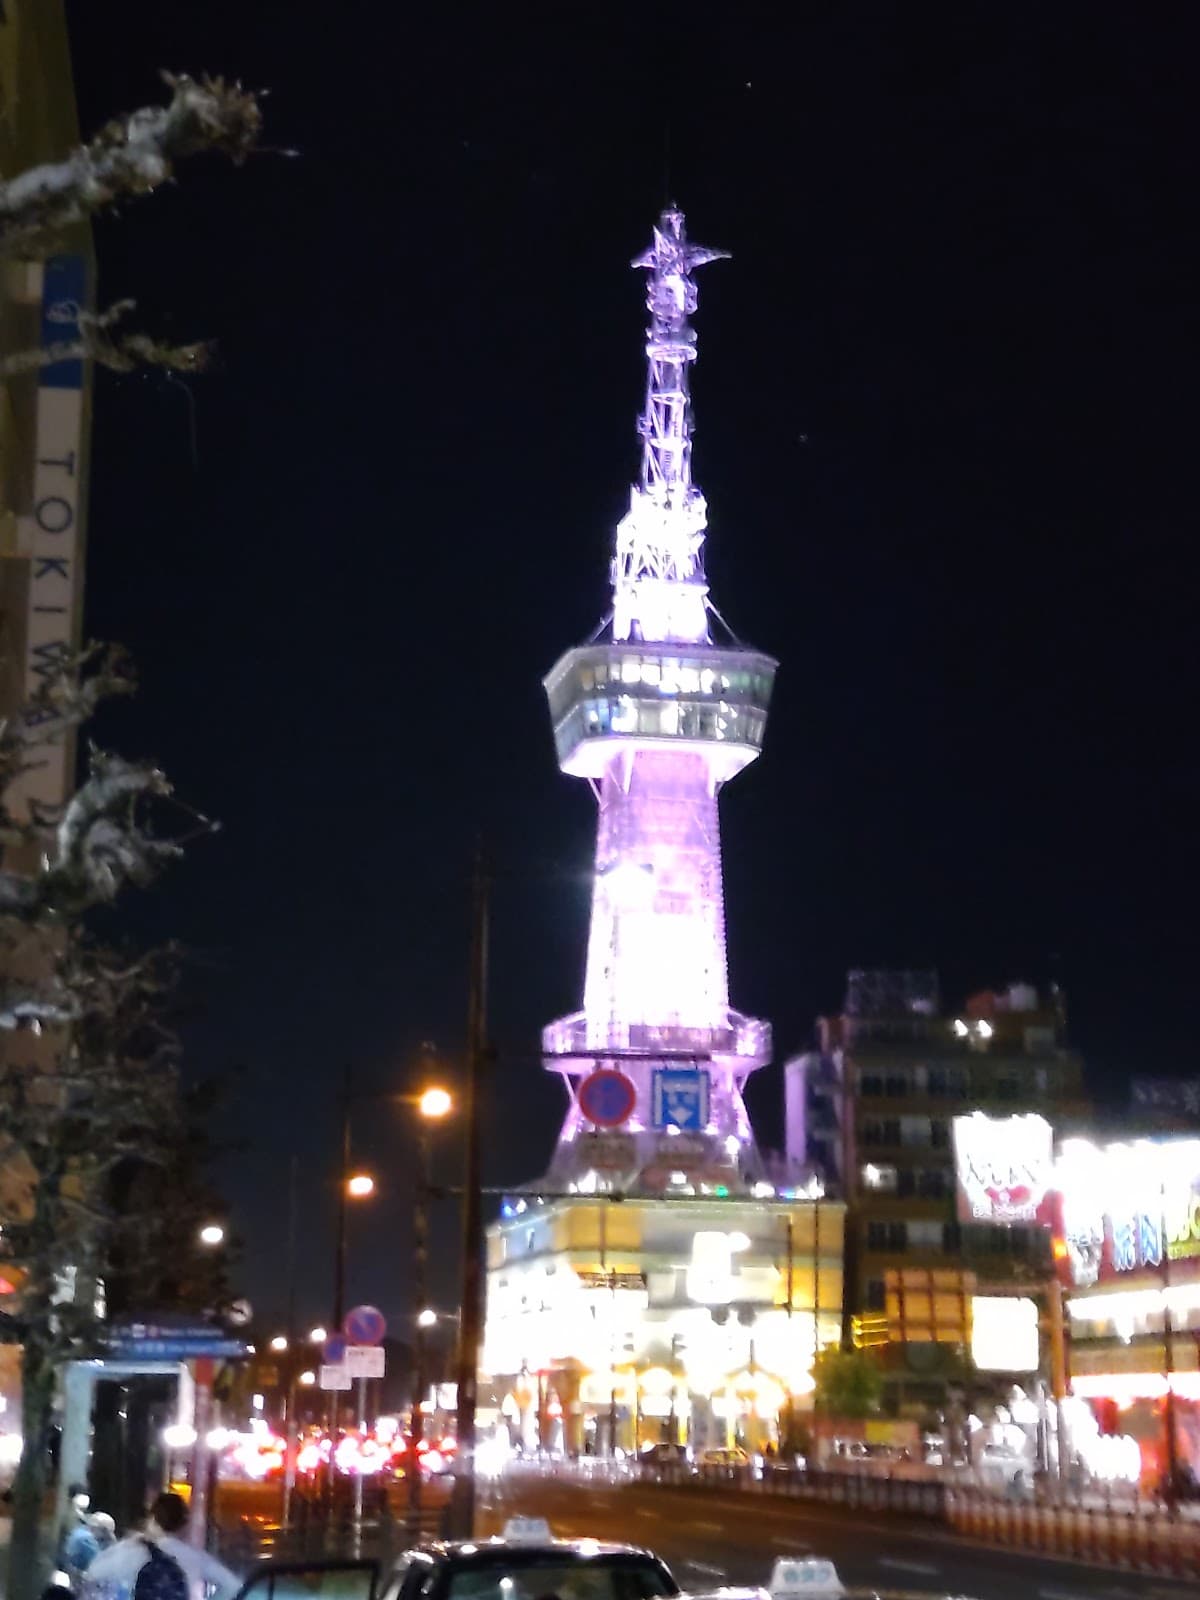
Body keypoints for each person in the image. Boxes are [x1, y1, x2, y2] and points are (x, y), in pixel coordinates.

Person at [85, 1491, 240, 1600]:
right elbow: (232, 1586)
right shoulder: (195, 1557)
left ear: (152, 1518)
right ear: (183, 1525)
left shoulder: (132, 1550)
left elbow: (93, 1572)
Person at [64, 1512, 116, 1590]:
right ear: (100, 1528)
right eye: (105, 1532)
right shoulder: (86, 1539)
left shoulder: (79, 1531)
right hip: (81, 1582)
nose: (105, 1537)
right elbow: (101, 1565)